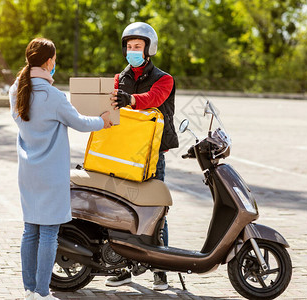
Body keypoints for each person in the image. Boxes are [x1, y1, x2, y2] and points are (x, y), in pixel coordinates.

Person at [9, 37, 112, 300]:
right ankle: (43, 292)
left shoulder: (16, 91)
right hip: (51, 175)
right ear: (49, 61)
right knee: (48, 233)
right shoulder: (53, 96)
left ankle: (29, 290)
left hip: (28, 173)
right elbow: (79, 122)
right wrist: (103, 121)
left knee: (29, 230)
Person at [107, 22, 179, 291]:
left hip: (153, 153)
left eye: (137, 47)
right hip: (125, 151)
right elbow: (112, 107)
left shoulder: (164, 78)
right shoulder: (118, 78)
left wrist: (131, 100)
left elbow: (153, 98)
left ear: (149, 50)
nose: (132, 51)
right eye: (129, 46)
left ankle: (161, 270)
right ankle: (123, 267)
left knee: (156, 209)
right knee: (123, 208)